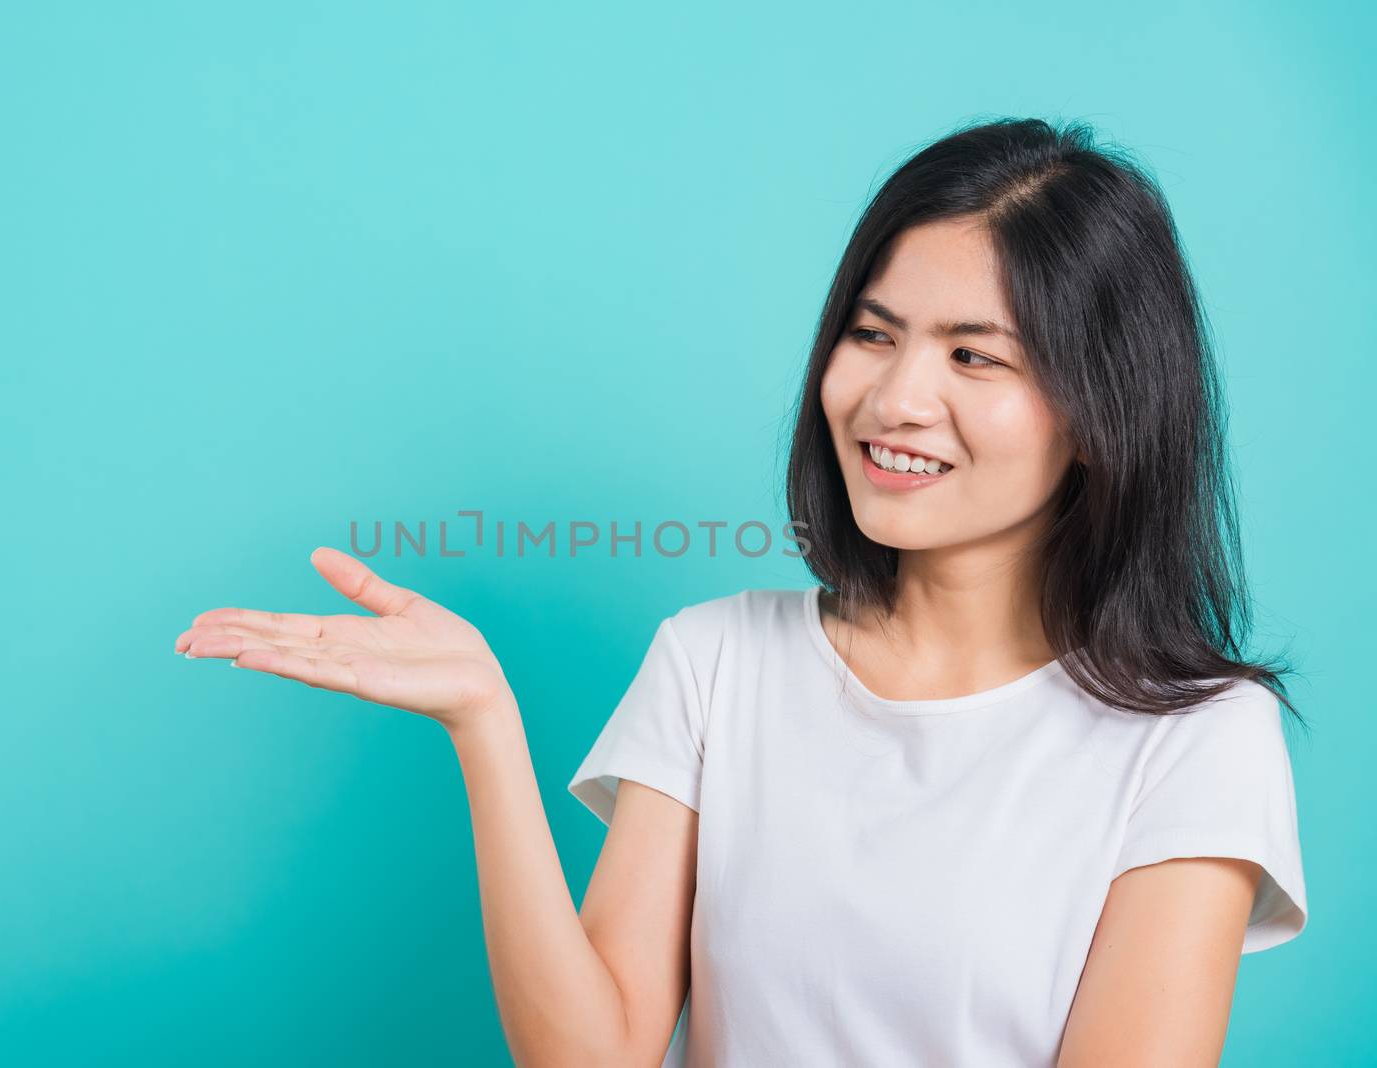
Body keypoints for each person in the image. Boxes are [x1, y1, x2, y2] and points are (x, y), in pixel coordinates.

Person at [172, 117, 1309, 1067]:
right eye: (873, 334)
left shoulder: (1196, 738)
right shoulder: (716, 661)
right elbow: (595, 1054)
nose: (895, 398)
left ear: (1103, 411)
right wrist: (485, 723)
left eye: (975, 356)